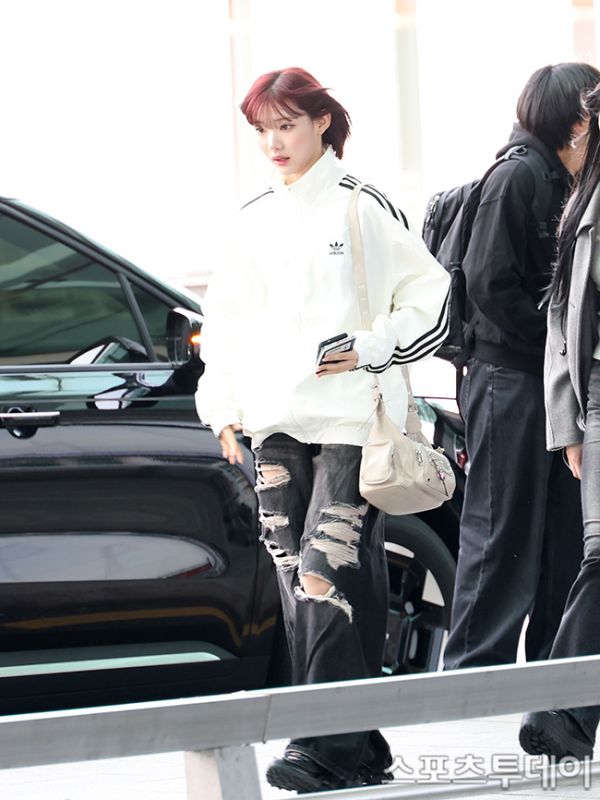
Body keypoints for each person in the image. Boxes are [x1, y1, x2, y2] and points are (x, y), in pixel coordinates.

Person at [195, 67, 450, 794]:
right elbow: (227, 327)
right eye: (262, 130)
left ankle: (322, 744)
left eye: (287, 126)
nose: (273, 143)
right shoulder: (251, 218)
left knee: (323, 570)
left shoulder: (361, 205)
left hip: (351, 422)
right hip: (275, 422)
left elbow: (433, 299)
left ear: (322, 124)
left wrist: (370, 347)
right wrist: (223, 408)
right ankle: (357, 742)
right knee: (299, 578)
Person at [443, 63, 600, 671]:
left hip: (545, 383)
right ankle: (468, 685)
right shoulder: (517, 176)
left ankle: (550, 686)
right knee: (499, 535)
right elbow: (489, 283)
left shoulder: (566, 179)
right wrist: (556, 340)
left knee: (562, 540)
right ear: (578, 120)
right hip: (508, 381)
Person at [519, 77, 600, 762]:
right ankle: (565, 712)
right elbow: (560, 321)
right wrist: (567, 421)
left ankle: (565, 711)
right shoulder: (583, 201)